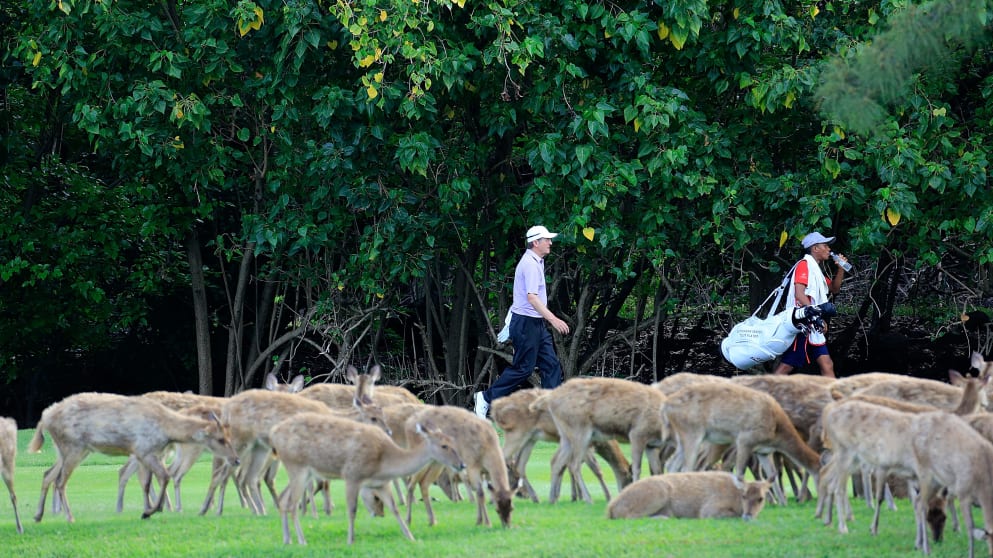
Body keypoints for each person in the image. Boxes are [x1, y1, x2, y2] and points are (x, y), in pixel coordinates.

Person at [474, 225, 571, 419]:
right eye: (546, 239)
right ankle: (485, 398)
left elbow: (523, 297)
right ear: (536, 242)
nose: (550, 243)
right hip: (527, 323)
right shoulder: (530, 264)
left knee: (551, 364)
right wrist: (553, 319)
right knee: (523, 368)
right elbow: (532, 298)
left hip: (534, 323)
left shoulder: (536, 261)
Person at [773, 231, 849, 378]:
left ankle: (835, 399)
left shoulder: (816, 271)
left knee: (827, 364)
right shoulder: (804, 266)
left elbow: (834, 288)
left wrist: (841, 268)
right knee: (787, 366)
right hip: (802, 324)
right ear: (815, 248)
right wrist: (816, 316)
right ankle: (763, 395)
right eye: (825, 246)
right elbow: (799, 294)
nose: (829, 249)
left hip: (812, 325)